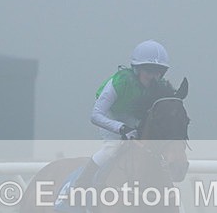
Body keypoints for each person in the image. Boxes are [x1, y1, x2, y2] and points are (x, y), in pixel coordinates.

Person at [74, 40, 174, 187]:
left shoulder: (158, 87)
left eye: (157, 72)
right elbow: (95, 115)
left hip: (132, 118)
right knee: (111, 149)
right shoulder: (120, 82)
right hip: (110, 115)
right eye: (148, 71)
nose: (153, 77)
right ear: (137, 69)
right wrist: (121, 128)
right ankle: (81, 183)